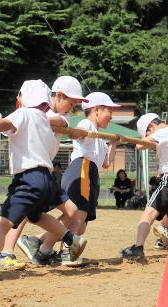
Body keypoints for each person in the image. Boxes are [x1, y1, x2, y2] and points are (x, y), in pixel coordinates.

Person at [0, 80, 87, 280]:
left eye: (19, 95)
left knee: (0, 223)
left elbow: (5, 124)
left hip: (28, 178)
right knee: (38, 216)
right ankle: (71, 239)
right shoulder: (45, 120)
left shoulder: (25, 113)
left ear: (25, 98)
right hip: (46, 178)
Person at [4, 75, 86, 268]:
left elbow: (60, 121)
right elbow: (52, 120)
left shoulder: (57, 118)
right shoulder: (38, 112)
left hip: (44, 172)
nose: (72, 109)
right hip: (28, 169)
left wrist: (68, 126)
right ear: (58, 96)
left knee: (72, 210)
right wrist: (66, 125)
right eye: (71, 103)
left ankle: (38, 241)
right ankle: (7, 251)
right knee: (22, 213)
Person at [55, 92, 119, 264]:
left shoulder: (101, 138)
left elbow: (106, 164)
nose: (111, 117)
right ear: (96, 110)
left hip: (91, 172)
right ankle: (66, 253)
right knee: (79, 215)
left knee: (80, 224)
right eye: (109, 112)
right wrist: (77, 133)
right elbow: (79, 133)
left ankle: (41, 241)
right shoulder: (87, 124)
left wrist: (113, 144)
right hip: (82, 168)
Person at [120, 113, 168, 259]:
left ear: (151, 126)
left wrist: (134, 140)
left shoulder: (163, 132)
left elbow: (139, 145)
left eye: (147, 132)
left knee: (148, 214)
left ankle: (138, 247)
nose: (148, 134)